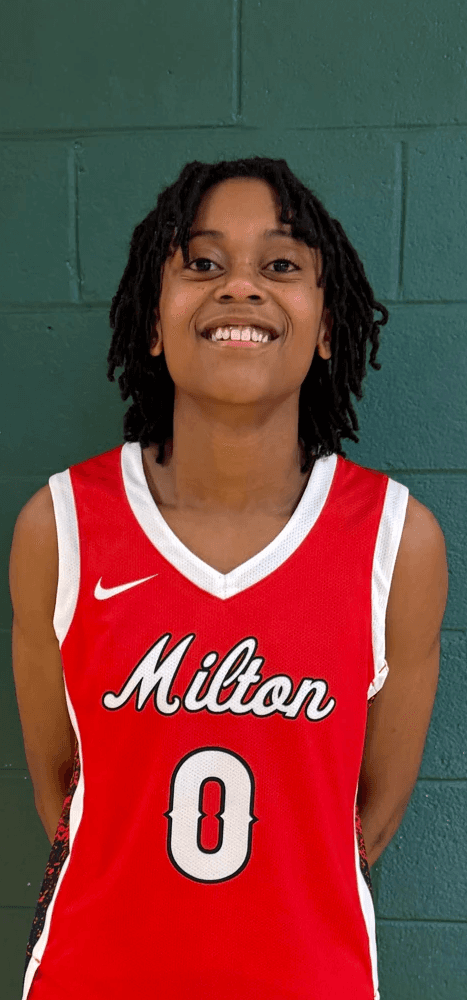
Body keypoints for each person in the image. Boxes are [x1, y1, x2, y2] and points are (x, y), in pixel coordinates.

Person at [10, 156, 449, 1000]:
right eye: (202, 263)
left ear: (326, 325)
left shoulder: (397, 542)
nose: (239, 286)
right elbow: (61, 788)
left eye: (279, 265)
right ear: (152, 322)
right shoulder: (58, 527)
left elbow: (368, 818)